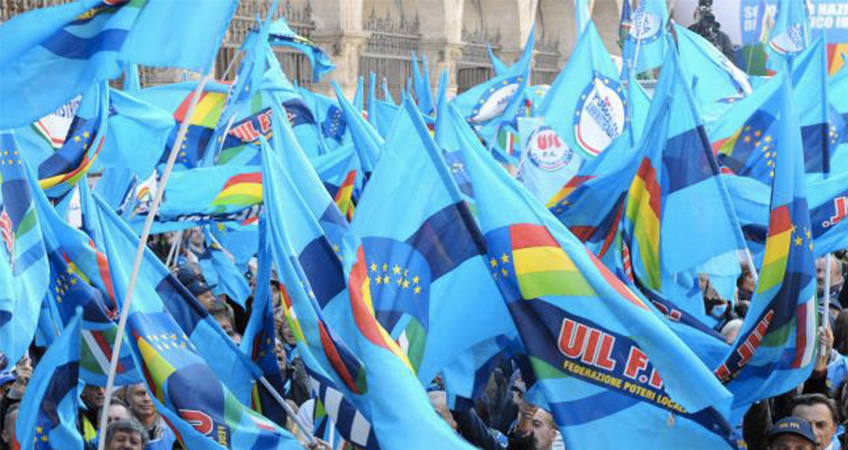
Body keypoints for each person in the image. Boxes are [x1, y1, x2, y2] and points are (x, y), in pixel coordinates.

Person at [121, 384, 176, 450]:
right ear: (128, 397)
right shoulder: (118, 431)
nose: (147, 399)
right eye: (139, 393)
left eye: (152, 393)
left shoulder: (174, 431)